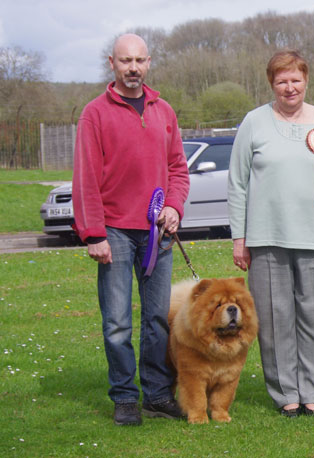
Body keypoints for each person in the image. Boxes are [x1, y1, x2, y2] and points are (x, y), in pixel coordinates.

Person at [227, 50, 314, 419]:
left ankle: (312, 393)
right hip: (266, 239)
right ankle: (286, 394)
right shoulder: (254, 122)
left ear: (306, 81)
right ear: (272, 84)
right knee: (273, 317)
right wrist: (240, 237)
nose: (289, 87)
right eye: (281, 81)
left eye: (295, 80)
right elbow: (237, 183)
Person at [72, 33, 189, 426]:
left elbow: (177, 169)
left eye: (139, 60)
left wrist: (173, 206)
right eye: (125, 61)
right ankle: (125, 396)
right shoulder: (94, 113)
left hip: (156, 232)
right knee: (118, 321)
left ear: (150, 62)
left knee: (157, 319)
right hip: (115, 232)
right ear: (112, 63)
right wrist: (94, 234)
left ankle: (157, 394)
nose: (133, 68)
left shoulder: (164, 111)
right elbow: (86, 178)